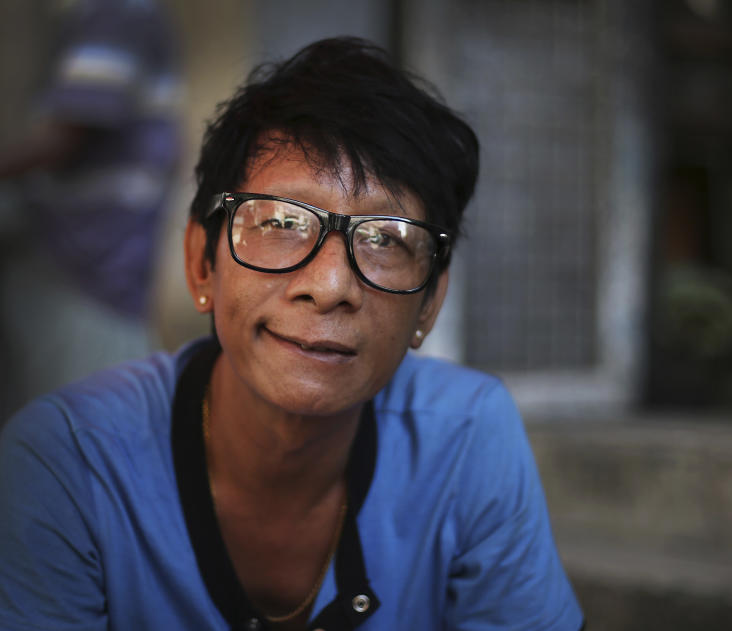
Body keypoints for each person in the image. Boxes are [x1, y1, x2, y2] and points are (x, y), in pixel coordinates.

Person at [0, 37, 584, 631]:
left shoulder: (468, 437)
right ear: (203, 263)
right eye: (279, 221)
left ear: (430, 303)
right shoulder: (68, 463)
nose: (330, 285)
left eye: (384, 238)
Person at [0, 0, 182, 418]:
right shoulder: (92, 17)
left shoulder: (117, 12)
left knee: (83, 428)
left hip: (93, 260)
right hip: (93, 257)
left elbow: (65, 136)